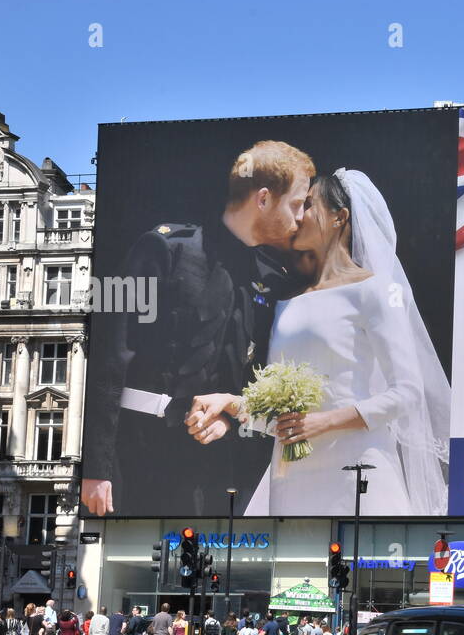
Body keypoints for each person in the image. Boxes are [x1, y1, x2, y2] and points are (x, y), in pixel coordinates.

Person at [191, 169, 450, 517]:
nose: (296, 216)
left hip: (359, 469)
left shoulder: (376, 291)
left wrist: (323, 422)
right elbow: (281, 417)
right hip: (291, 476)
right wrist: (231, 403)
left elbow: (407, 392)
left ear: (339, 217)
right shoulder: (286, 300)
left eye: (308, 206)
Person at [83, 140, 315, 519]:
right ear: (263, 199)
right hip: (137, 456)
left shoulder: (273, 279)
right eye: (296, 203)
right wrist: (96, 468)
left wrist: (227, 417)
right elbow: (110, 358)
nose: (301, 216)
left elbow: (254, 376)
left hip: (220, 467)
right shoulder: (162, 248)